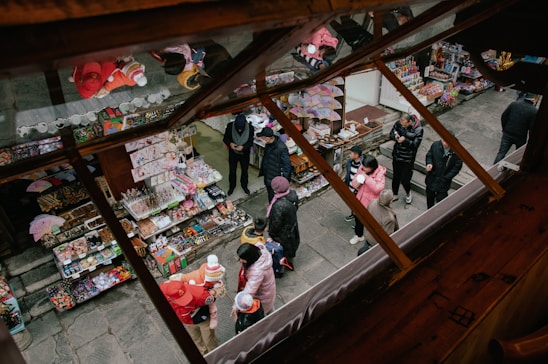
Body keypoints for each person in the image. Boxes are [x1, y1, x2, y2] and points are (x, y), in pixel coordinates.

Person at [159, 280, 218, 355]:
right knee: (196, 340)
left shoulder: (201, 295)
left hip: (203, 319)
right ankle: (204, 355)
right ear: (170, 298)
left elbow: (212, 298)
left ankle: (215, 356)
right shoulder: (164, 291)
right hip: (188, 321)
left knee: (209, 341)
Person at [168, 254, 226, 330]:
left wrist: (217, 292)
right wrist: (180, 278)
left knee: (211, 305)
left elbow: (217, 291)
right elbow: (186, 277)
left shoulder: (215, 281)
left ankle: (213, 316)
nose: (216, 281)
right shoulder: (198, 276)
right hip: (189, 312)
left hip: (201, 307)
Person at [349, 155, 386, 245]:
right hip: (360, 199)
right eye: (363, 166)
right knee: (358, 220)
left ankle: (374, 239)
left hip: (371, 204)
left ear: (372, 167)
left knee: (372, 223)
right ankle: (359, 236)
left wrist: (366, 178)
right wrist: (357, 183)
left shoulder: (380, 174)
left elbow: (377, 189)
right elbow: (354, 182)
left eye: (366, 167)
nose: (364, 168)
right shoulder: (362, 169)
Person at [493, 93, 539, 164]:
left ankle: (494, 169)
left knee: (501, 153)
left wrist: (504, 128)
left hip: (508, 133)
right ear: (535, 99)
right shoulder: (534, 111)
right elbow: (531, 128)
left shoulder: (514, 104)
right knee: (518, 156)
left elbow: (504, 116)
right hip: (520, 137)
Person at [266, 176, 300, 270]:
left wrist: (271, 232)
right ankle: (290, 264)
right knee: (291, 249)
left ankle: (281, 267)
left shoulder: (278, 206)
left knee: (281, 251)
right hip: (292, 227)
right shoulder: (292, 194)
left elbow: (276, 224)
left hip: (283, 234)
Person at [389, 113, 423, 204]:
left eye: (404, 124)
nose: (402, 126)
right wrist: (394, 136)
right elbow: (392, 133)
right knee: (396, 176)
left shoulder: (418, 129)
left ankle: (408, 193)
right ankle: (395, 193)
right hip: (397, 155)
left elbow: (415, 145)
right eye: (401, 124)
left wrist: (405, 141)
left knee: (405, 180)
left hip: (408, 158)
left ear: (410, 122)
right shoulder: (398, 123)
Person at [235, 243, 276, 314]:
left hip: (262, 296)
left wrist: (236, 306)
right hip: (268, 290)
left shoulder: (257, 273)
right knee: (270, 307)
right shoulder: (261, 253)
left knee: (263, 312)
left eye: (243, 258)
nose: (241, 260)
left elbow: (249, 291)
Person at [425, 136, 463, 209]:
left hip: (444, 182)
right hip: (432, 178)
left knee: (442, 201)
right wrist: (429, 163)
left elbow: (456, 167)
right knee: (430, 198)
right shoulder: (436, 145)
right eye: (443, 140)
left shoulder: (457, 152)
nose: (444, 143)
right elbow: (429, 155)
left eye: (446, 141)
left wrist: (446, 177)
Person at [358, 189, 399, 255]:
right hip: (376, 244)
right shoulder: (389, 218)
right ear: (390, 201)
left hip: (368, 236)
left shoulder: (372, 202)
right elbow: (387, 237)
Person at [257, 127, 292, 202]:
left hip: (275, 179)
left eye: (263, 138)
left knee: (276, 199)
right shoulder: (268, 144)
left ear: (267, 138)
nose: (262, 139)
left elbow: (287, 167)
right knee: (271, 197)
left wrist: (284, 183)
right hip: (268, 176)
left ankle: (274, 211)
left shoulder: (281, 148)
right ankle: (271, 209)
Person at [223, 113, 254, 195]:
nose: (239, 129)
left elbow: (250, 142)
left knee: (245, 171)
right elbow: (225, 138)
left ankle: (244, 186)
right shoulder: (230, 126)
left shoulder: (250, 128)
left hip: (244, 153)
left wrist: (243, 147)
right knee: (232, 171)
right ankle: (232, 186)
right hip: (233, 153)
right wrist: (230, 144)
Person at [344, 145, 364, 222]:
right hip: (350, 187)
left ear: (356, 155)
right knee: (352, 204)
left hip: (358, 189)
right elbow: (348, 174)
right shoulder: (349, 162)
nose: (349, 155)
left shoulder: (363, 165)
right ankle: (353, 215)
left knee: (359, 206)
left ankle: (358, 221)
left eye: (351, 153)